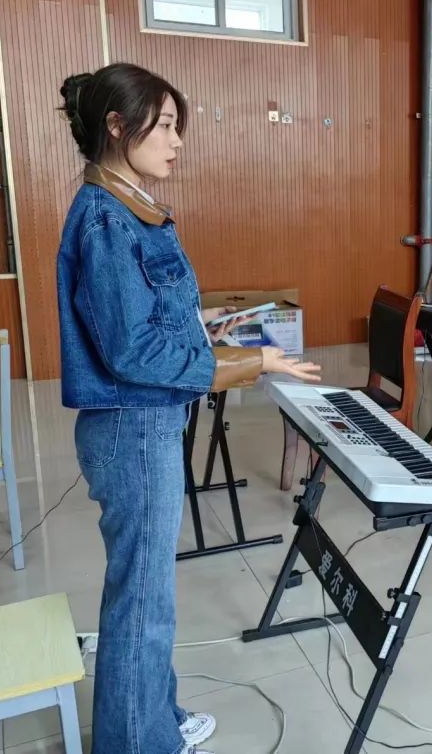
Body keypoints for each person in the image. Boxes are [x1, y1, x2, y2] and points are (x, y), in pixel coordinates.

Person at [56, 63, 320, 754]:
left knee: (147, 593)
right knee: (142, 599)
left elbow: (141, 321)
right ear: (118, 126)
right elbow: (131, 351)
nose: (177, 142)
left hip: (141, 423)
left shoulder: (125, 204)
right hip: (132, 427)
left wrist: (205, 329)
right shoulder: (107, 218)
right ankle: (136, 743)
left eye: (178, 127)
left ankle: (156, 719)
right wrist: (255, 363)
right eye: (166, 126)